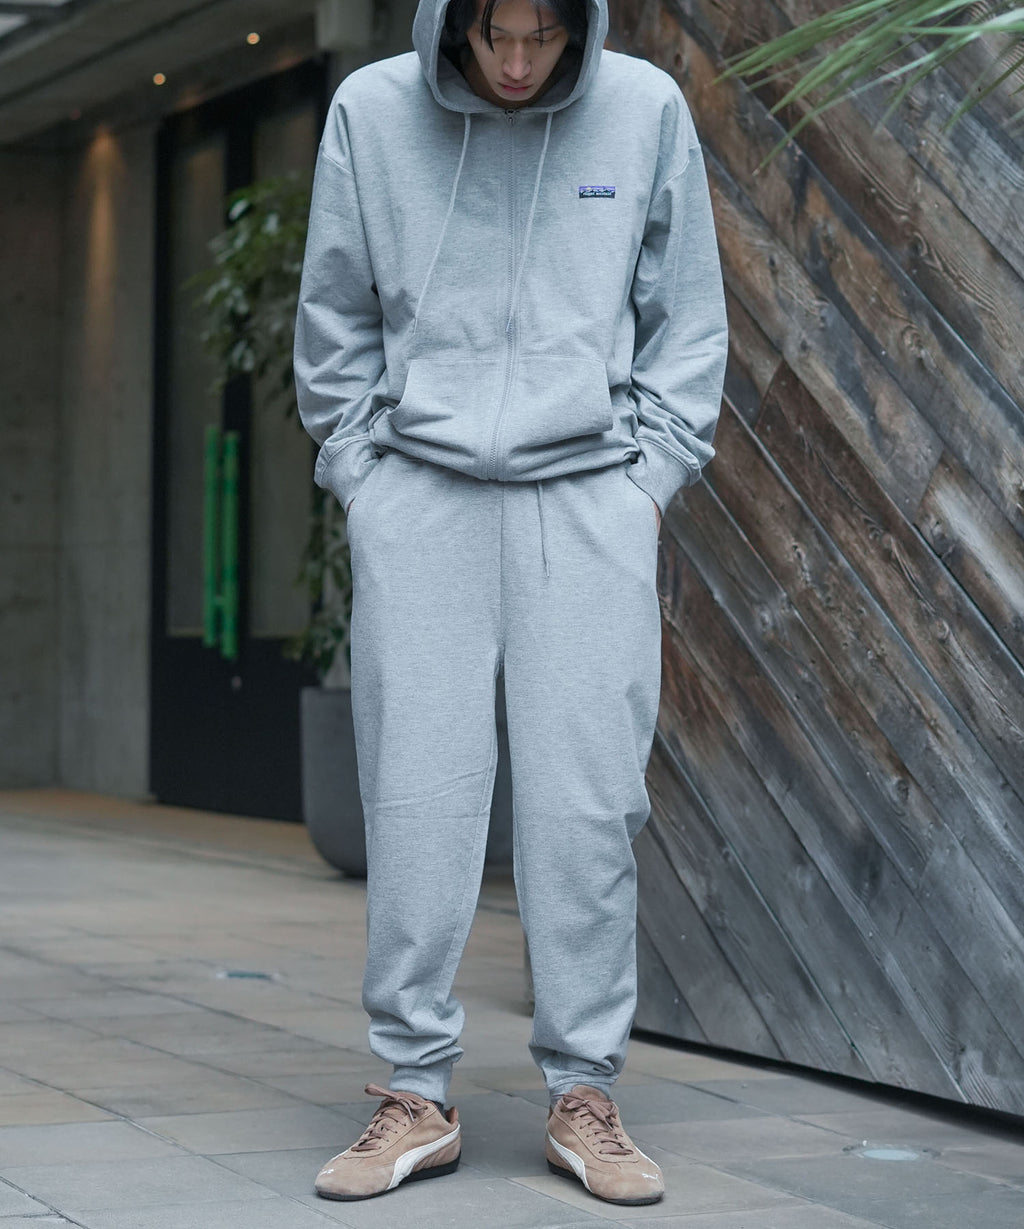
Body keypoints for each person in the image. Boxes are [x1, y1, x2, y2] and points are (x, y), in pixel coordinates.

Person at [293, 0, 728, 1207]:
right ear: (456, 23)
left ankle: (583, 1088)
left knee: (588, 802)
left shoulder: (642, 109)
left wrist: (644, 484)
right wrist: (364, 477)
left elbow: (686, 317)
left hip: (587, 497)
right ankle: (413, 1090)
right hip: (420, 496)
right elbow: (332, 314)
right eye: (498, 36)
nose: (522, 62)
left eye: (546, 35)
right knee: (415, 793)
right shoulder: (372, 112)